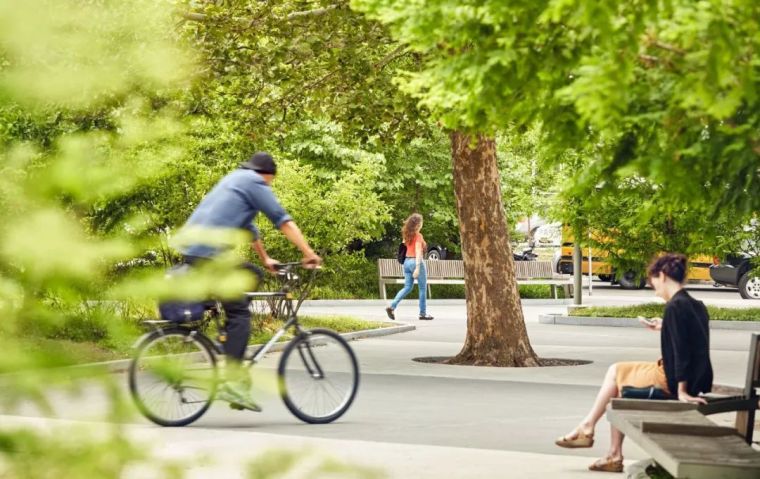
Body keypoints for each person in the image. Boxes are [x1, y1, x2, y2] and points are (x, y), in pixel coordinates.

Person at [178, 152, 322, 411]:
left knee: (253, 273)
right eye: (270, 182)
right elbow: (283, 220)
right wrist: (308, 253)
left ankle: (224, 329)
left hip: (194, 252)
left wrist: (266, 259)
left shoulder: (235, 179)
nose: (269, 186)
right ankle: (232, 381)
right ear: (266, 175)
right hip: (208, 256)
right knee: (241, 313)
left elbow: (250, 230)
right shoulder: (255, 183)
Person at [554, 253, 713, 473]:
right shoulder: (695, 305)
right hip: (697, 377)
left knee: (616, 376)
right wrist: (664, 325)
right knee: (617, 378)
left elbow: (682, 351)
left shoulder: (675, 307)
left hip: (671, 378)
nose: (654, 289)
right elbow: (693, 339)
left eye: (653, 282)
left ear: (663, 276)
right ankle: (606, 447)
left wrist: (682, 390)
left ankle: (593, 432)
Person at [385, 213, 434, 321]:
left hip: (406, 262)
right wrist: (417, 267)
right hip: (415, 262)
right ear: (418, 224)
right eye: (421, 222)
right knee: (422, 288)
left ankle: (392, 306)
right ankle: (423, 313)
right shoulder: (418, 236)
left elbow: (403, 248)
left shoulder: (407, 235)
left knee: (407, 287)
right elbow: (417, 251)